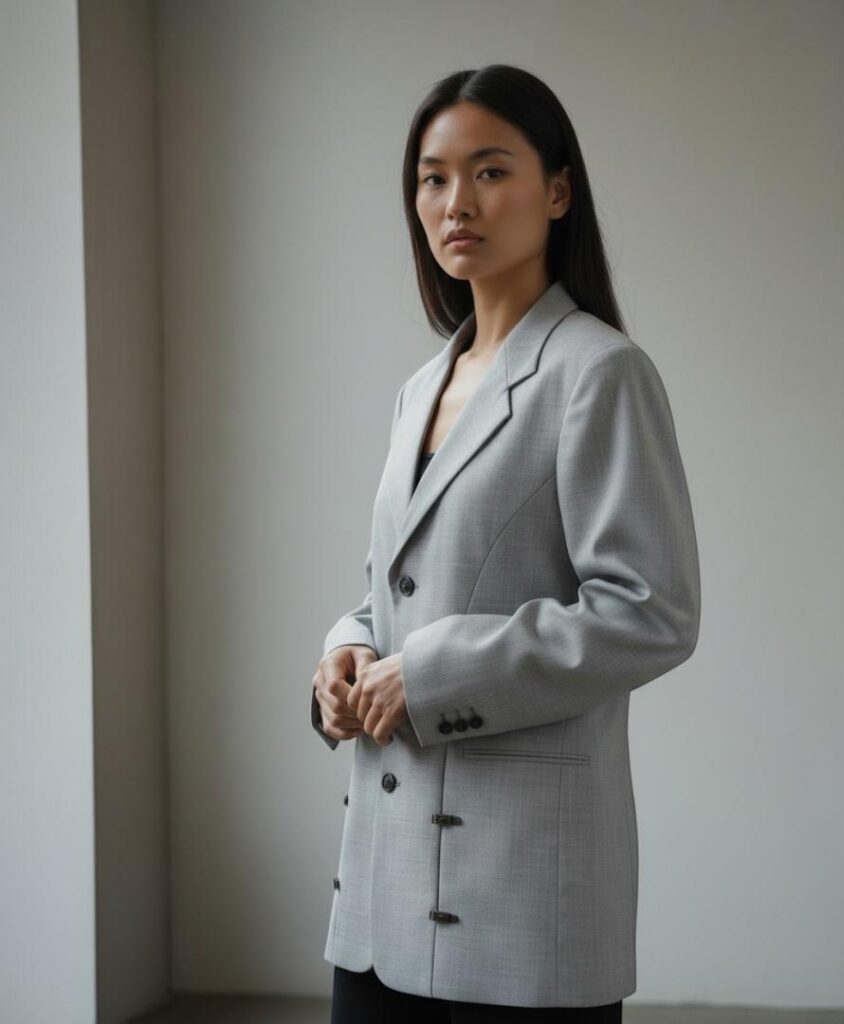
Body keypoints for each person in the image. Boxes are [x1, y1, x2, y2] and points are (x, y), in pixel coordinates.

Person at [311, 63, 701, 1022]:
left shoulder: (600, 373)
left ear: (558, 190)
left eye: (490, 171)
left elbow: (650, 614)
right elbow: (395, 593)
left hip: (521, 892)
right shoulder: (420, 390)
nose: (456, 203)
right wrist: (347, 651)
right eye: (433, 178)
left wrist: (432, 675)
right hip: (380, 887)